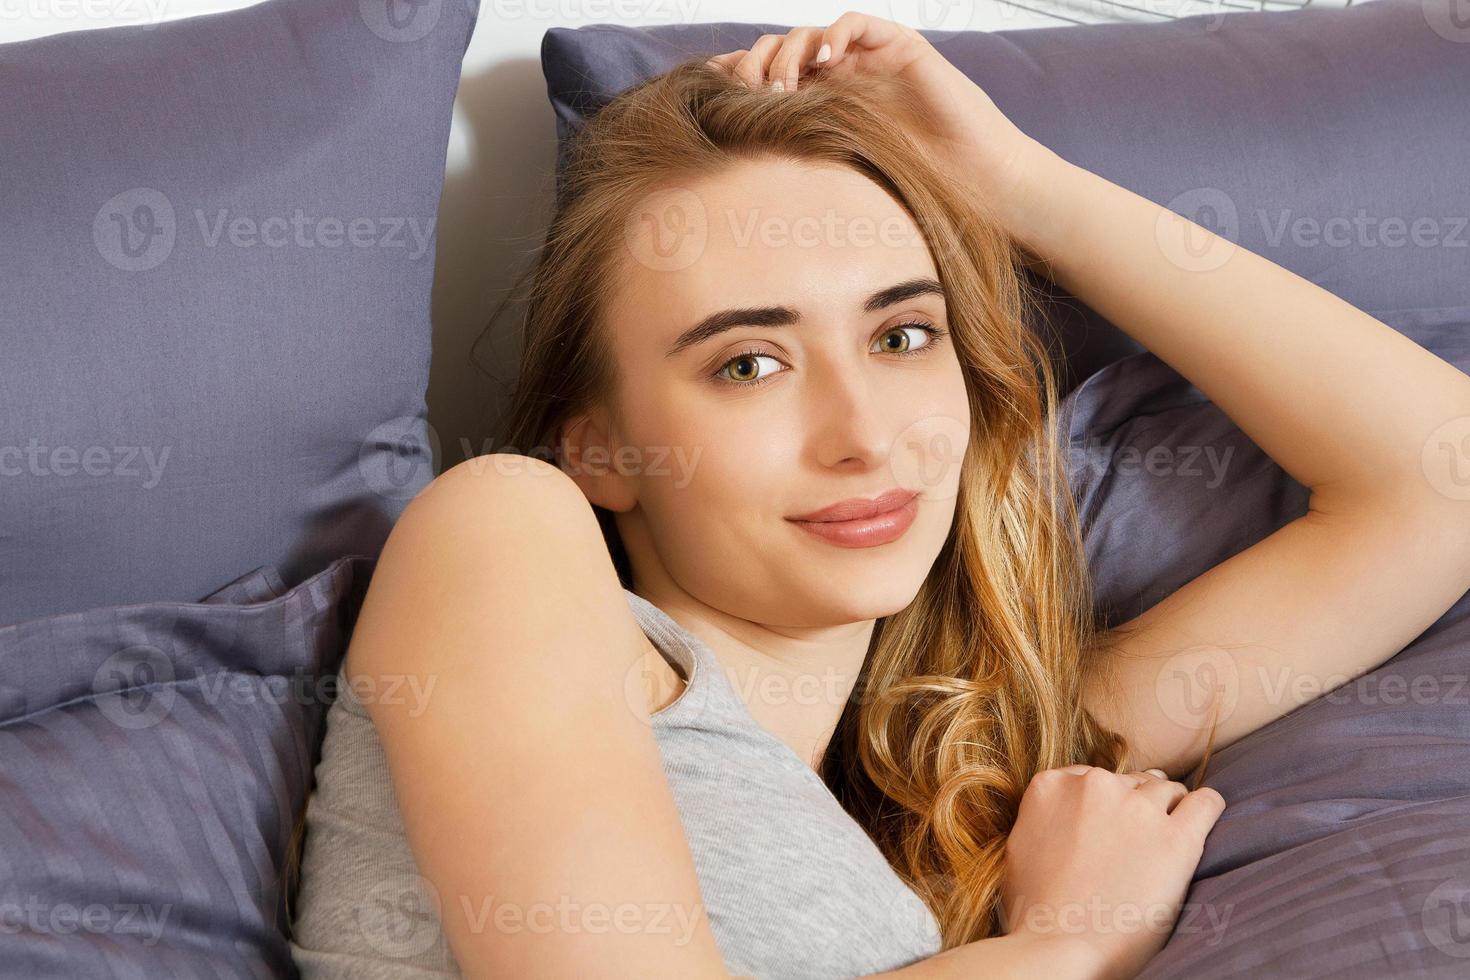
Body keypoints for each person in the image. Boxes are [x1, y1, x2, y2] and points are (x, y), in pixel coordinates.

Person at [287, 12, 1470, 979]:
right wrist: (1066, 948)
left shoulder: (970, 788)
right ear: (597, 450)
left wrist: (1020, 189)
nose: (864, 438)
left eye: (904, 334)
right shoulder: (500, 527)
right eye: (748, 363)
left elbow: (1441, 481)